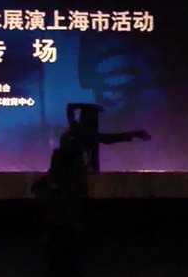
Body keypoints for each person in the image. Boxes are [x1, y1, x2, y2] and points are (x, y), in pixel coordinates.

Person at [33, 103, 151, 276]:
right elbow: (106, 138)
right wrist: (134, 134)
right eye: (94, 119)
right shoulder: (81, 133)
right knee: (68, 224)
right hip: (66, 186)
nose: (96, 122)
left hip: (64, 186)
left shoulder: (76, 130)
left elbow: (71, 109)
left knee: (64, 224)